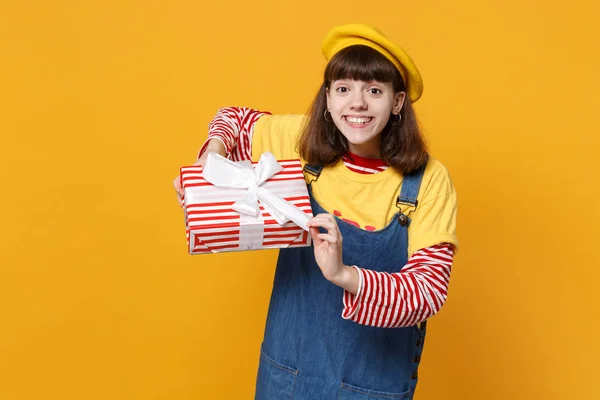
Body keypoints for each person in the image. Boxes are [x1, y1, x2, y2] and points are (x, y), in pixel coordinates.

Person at [174, 23, 458, 399]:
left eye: (374, 90)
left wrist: (343, 274)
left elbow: (428, 290)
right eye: (343, 89)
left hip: (372, 386)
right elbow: (236, 122)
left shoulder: (427, 181)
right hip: (286, 377)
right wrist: (212, 161)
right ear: (327, 97)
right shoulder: (303, 146)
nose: (356, 103)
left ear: (398, 102)